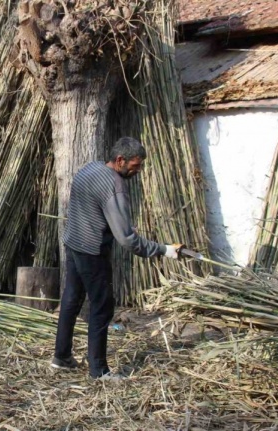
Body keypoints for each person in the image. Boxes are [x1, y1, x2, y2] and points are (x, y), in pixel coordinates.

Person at [51, 137, 183, 380]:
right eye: (135, 165)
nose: (138, 170)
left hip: (73, 243)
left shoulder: (89, 168)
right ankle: (99, 371)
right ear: (120, 160)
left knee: (71, 299)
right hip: (92, 251)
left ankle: (61, 357)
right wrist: (164, 250)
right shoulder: (114, 187)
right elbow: (127, 239)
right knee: (102, 308)